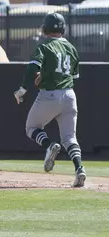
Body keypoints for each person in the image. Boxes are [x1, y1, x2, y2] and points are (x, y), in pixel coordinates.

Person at [14, 12, 86, 188]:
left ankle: (49, 145)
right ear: (63, 29)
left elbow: (33, 67)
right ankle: (80, 169)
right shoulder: (72, 48)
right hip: (69, 95)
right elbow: (73, 76)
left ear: (45, 28)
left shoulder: (44, 46)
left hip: (49, 95)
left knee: (31, 128)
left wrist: (22, 90)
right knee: (70, 138)